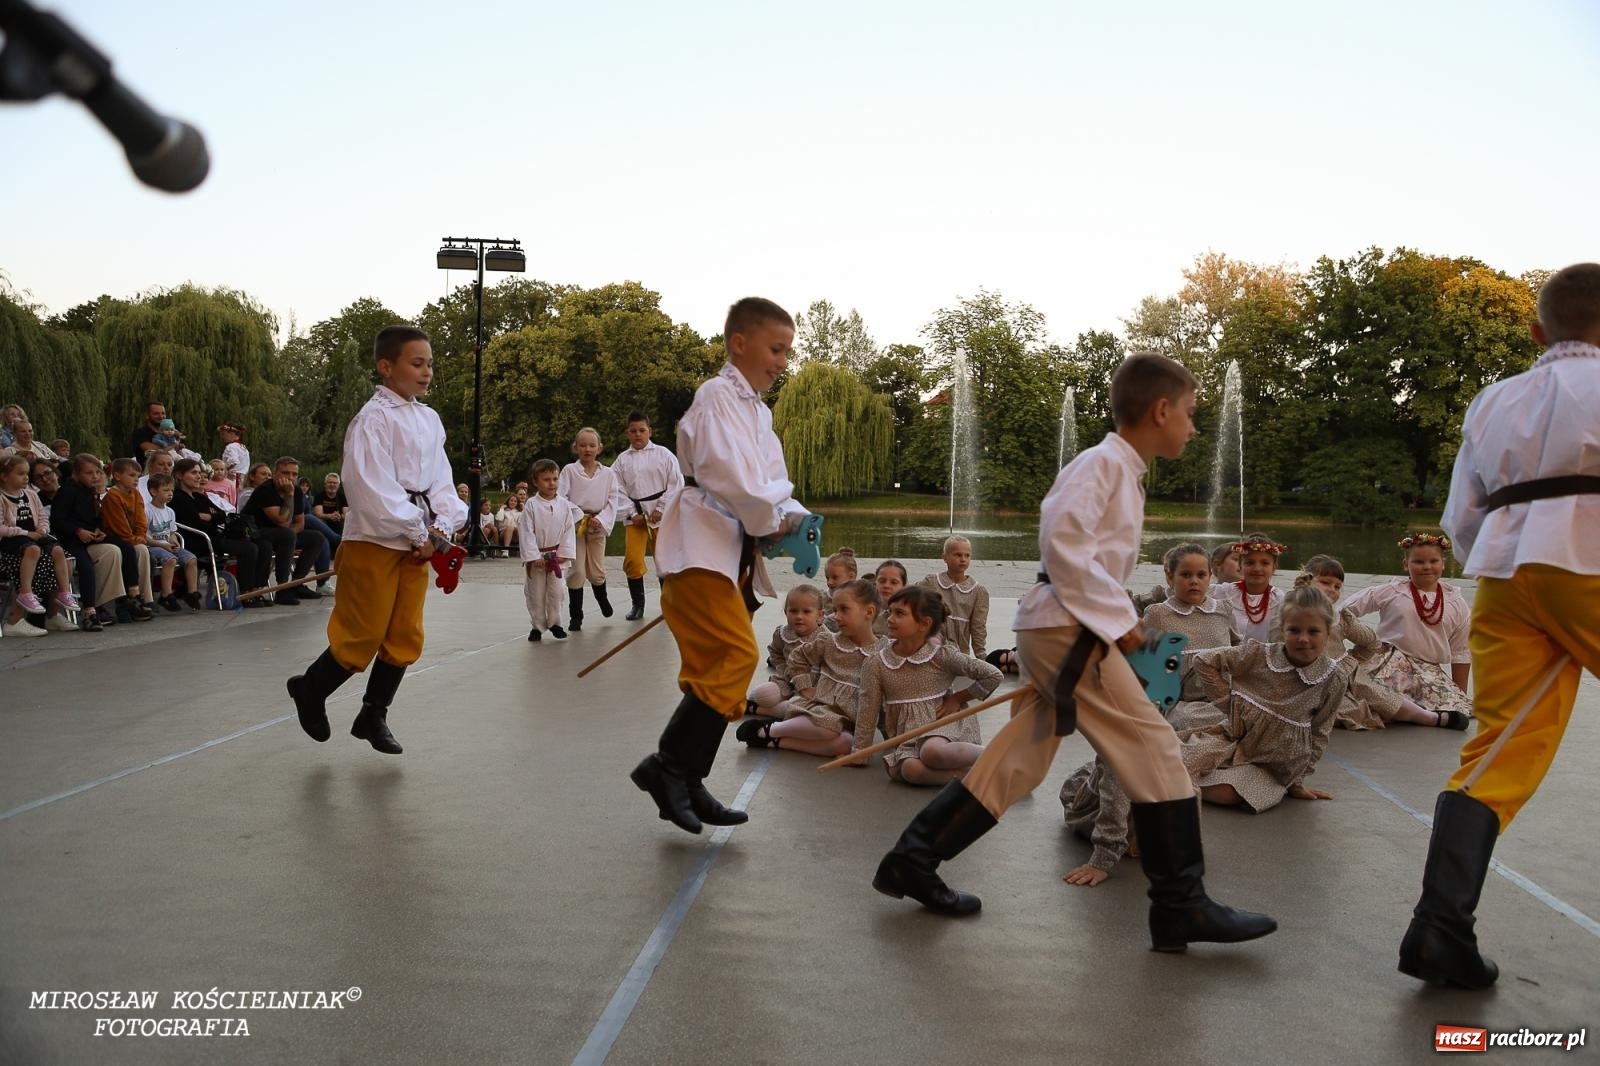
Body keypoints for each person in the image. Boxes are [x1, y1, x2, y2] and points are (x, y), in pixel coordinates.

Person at [872, 352, 1277, 954]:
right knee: (1157, 747)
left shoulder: (1120, 469)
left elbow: (1081, 556)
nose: (1194, 427)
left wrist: (1112, 620)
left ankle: (912, 859)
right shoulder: (1103, 465)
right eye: (1190, 414)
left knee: (1018, 761)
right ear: (1160, 410)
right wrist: (1124, 626)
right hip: (1069, 631)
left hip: (1061, 629)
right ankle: (1179, 905)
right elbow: (1062, 541)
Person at [1398, 262, 1600, 991]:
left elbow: (1461, 516)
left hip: (1508, 576)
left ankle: (1439, 929)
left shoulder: (1494, 399)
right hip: (1591, 563)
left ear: (1537, 329)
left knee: (1500, 747)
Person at [632, 297, 808, 834]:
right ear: (740, 343)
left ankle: (685, 778)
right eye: (776, 348)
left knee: (716, 667)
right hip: (700, 543)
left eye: (787, 351)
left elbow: (772, 479)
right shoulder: (716, 397)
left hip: (725, 545)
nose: (782, 361)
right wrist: (769, 517)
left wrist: (794, 515)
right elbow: (730, 477)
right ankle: (668, 767)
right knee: (736, 654)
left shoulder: (757, 410)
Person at [286, 325, 467, 756]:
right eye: (416, 363)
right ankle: (310, 689)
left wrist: (442, 527)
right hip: (377, 540)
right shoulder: (372, 419)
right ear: (387, 367)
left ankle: (374, 713)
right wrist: (419, 529)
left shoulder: (429, 418)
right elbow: (371, 487)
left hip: (417, 542)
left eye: (429, 364)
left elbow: (442, 480)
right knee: (363, 631)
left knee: (405, 631)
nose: (426, 372)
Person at [1169, 586, 1355, 813]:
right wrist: (1227, 704)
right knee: (1175, 761)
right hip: (1233, 739)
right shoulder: (1260, 655)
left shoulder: (1332, 678)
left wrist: (1297, 781)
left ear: (1328, 632)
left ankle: (1177, 788)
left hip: (1271, 765)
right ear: (1283, 629)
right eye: (1294, 630)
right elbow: (1205, 661)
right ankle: (1171, 784)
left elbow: (1320, 731)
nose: (1303, 639)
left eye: (1313, 631)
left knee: (1229, 793)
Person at [1274, 555, 1462, 730]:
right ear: (1307, 580)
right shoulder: (1288, 611)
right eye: (1325, 583)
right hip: (1300, 678)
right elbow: (1275, 643)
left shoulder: (1340, 618)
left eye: (1337, 586)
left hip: (1341, 674)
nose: (1332, 589)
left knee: (1381, 696)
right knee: (1339, 711)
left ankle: (1430, 718)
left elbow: (1371, 642)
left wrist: (1350, 661)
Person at [854, 586, 1003, 785]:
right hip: (908, 738)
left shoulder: (941, 655)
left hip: (943, 724)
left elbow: (993, 675)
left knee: (932, 752)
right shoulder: (876, 663)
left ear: (924, 624)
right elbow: (868, 709)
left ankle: (1002, 760)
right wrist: (860, 753)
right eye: (890, 611)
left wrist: (958, 698)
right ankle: (982, 779)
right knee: (910, 770)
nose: (890, 618)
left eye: (900, 614)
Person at [737, 579, 880, 758]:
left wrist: (862, 751)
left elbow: (880, 701)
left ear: (869, 612)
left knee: (845, 744)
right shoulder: (829, 641)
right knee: (829, 726)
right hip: (821, 708)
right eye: (835, 610)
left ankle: (775, 741)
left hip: (850, 718)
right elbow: (797, 658)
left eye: (844, 609)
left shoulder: (882, 654)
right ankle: (771, 729)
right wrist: (804, 686)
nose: (836, 616)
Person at [1339, 533, 1474, 719]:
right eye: (1418, 562)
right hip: (1387, 661)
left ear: (1443, 563)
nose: (1427, 567)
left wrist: (1460, 694)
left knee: (1453, 707)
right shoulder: (1392, 591)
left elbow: (1460, 652)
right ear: (1406, 564)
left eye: (1433, 561)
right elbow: (1345, 611)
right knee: (1355, 691)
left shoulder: (1456, 603)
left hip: (1427, 672)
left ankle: (1417, 713)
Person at [1141, 542, 1240, 701]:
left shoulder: (1223, 609)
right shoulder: (1158, 614)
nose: (1194, 581)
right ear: (1170, 577)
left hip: (1225, 698)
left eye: (1201, 575)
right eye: (1186, 575)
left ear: (1210, 577)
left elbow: (1238, 649)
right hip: (1181, 702)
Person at [610, 411, 683, 621]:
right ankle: (637, 605)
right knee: (633, 560)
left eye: (642, 430)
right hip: (636, 518)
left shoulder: (664, 455)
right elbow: (617, 489)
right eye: (633, 431)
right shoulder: (622, 461)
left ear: (649, 431)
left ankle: (669, 605)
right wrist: (632, 514)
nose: (638, 434)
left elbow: (675, 484)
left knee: (665, 560)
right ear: (627, 434)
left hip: (661, 517)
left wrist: (661, 507)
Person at [169, 457, 268, 604]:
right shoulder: (177, 498)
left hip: (215, 536)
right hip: (199, 541)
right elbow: (195, 523)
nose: (199, 476)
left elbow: (222, 514)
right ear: (179, 475)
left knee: (263, 544)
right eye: (193, 473)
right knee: (249, 548)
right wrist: (211, 517)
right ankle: (246, 593)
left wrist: (209, 517)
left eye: (199, 473)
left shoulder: (198, 497)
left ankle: (258, 588)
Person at [0, 455, 79, 635]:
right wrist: (27, 533)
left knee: (62, 555)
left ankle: (57, 605)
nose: (26, 478)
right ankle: (16, 617)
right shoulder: (2, 497)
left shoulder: (30, 495)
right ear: (4, 476)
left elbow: (42, 516)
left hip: (33, 538)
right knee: (37, 555)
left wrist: (43, 529)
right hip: (11, 545)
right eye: (20, 474)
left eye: (27, 474)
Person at [240, 456, 327, 603]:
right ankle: (282, 588)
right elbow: (282, 521)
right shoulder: (266, 490)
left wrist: (290, 537)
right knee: (286, 534)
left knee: (316, 537)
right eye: (286, 473)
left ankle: (297, 583)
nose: (290, 478)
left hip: (281, 534)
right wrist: (289, 495)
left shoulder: (297, 491)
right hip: (256, 532)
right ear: (275, 473)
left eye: (294, 474)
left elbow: (300, 523)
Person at [558, 427, 618, 631]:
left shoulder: (608, 474)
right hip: (576, 524)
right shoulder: (569, 471)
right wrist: (578, 515)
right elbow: (561, 497)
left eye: (592, 445)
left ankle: (603, 598)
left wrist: (600, 519)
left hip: (598, 524)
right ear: (575, 448)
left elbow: (613, 500)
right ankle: (576, 615)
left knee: (596, 571)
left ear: (599, 448)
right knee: (577, 571)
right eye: (582, 445)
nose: (587, 449)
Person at [518, 458, 580, 642]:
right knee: (536, 593)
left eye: (555, 479)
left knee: (557, 592)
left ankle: (556, 623)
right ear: (535, 482)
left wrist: (564, 554)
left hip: (557, 556)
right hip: (537, 556)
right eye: (546, 479)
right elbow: (526, 531)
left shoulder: (564, 505)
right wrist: (533, 556)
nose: (551, 483)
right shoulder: (531, 505)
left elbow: (568, 529)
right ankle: (537, 626)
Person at [745, 584, 824, 715]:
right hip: (786, 681)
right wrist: (782, 668)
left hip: (810, 687)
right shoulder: (782, 633)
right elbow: (775, 652)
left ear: (820, 615)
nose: (799, 616)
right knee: (761, 695)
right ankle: (765, 705)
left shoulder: (825, 639)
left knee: (795, 707)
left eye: (806, 611)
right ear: (785, 612)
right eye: (793, 611)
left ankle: (758, 710)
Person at [97, 458, 156, 619]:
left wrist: (141, 536)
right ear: (117, 475)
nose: (136, 479)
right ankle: (126, 600)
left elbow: (141, 519)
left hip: (133, 538)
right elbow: (118, 524)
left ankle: (143, 597)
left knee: (142, 551)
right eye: (131, 475)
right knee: (129, 550)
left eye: (137, 475)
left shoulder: (136, 494)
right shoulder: (113, 496)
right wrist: (133, 538)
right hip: (116, 537)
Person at [918, 536, 990, 658]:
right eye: (958, 555)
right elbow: (909, 596)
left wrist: (981, 655)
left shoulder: (978, 591)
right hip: (929, 647)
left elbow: (978, 627)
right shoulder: (932, 582)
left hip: (959, 652)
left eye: (967, 555)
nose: (963, 559)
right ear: (945, 557)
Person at [142, 473, 201, 611]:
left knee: (191, 559)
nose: (170, 494)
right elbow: (144, 536)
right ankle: (166, 593)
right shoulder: (147, 510)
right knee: (170, 560)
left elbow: (171, 533)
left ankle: (192, 592)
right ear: (153, 491)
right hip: (152, 545)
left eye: (172, 491)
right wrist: (163, 545)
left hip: (167, 544)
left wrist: (174, 542)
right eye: (166, 490)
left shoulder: (170, 511)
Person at [1217, 532, 1286, 643]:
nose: (1257, 568)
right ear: (1240, 565)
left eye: (1264, 563)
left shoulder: (1279, 599)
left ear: (1274, 567)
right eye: (1250, 563)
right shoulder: (1225, 592)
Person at [873, 560, 907, 637]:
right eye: (882, 581)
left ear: (903, 586)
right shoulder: (865, 612)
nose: (886, 586)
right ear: (875, 583)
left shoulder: (912, 615)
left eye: (894, 582)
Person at [218, 422, 250, 492]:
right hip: (243, 479)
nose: (222, 437)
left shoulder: (231, 447)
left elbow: (233, 462)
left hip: (234, 479)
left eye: (224, 434)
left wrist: (223, 470)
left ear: (232, 434)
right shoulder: (243, 447)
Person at [494, 490, 523, 556]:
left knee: (515, 527)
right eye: (511, 500)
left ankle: (524, 550)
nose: (513, 502)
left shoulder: (519, 513)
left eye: (515, 501)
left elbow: (523, 522)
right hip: (504, 533)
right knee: (510, 527)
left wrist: (523, 508)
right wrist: (501, 509)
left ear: (517, 503)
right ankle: (506, 550)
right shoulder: (504, 511)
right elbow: (499, 519)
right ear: (508, 501)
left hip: (516, 534)